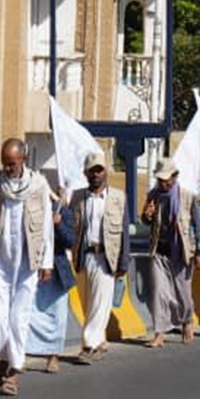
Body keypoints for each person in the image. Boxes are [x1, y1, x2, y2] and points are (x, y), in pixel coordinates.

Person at [0, 138, 52, 398]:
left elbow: (46, 226)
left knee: (18, 318)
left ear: (22, 159)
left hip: (27, 261)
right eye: (4, 163)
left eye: (12, 163)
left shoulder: (38, 185)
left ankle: (15, 370)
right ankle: (3, 355)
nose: (8, 168)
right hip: (0, 259)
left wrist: (47, 262)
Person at [69, 152, 128, 363]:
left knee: (99, 305)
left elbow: (124, 232)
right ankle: (100, 341)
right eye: (91, 171)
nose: (95, 174)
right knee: (88, 304)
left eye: (99, 170)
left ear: (105, 172)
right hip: (84, 258)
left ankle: (89, 345)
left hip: (106, 258)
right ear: (85, 173)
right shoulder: (77, 197)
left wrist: (123, 262)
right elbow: (68, 227)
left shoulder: (118, 197)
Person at [141, 159, 200, 348]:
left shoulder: (186, 196)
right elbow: (146, 221)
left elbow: (199, 225)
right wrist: (147, 215)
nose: (163, 183)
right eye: (160, 179)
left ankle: (186, 322)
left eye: (166, 179)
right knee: (159, 293)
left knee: (183, 293)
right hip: (159, 251)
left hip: (181, 251)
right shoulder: (153, 195)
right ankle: (160, 333)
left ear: (174, 177)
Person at [26, 187, 74, 374]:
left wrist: (59, 224)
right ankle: (21, 355)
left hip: (57, 272)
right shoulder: (28, 212)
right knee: (28, 314)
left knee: (57, 317)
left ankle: (53, 356)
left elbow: (70, 240)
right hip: (32, 271)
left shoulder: (63, 212)